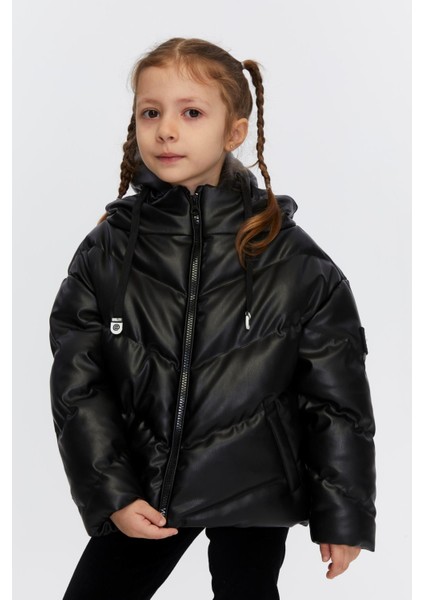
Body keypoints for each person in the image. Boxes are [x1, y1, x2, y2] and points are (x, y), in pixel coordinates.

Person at [49, 37, 376, 600]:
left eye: (191, 113)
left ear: (234, 132)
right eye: (151, 112)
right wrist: (112, 492)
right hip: (148, 485)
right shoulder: (108, 250)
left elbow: (335, 392)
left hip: (255, 485)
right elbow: (79, 385)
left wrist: (343, 512)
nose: (166, 130)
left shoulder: (290, 256)